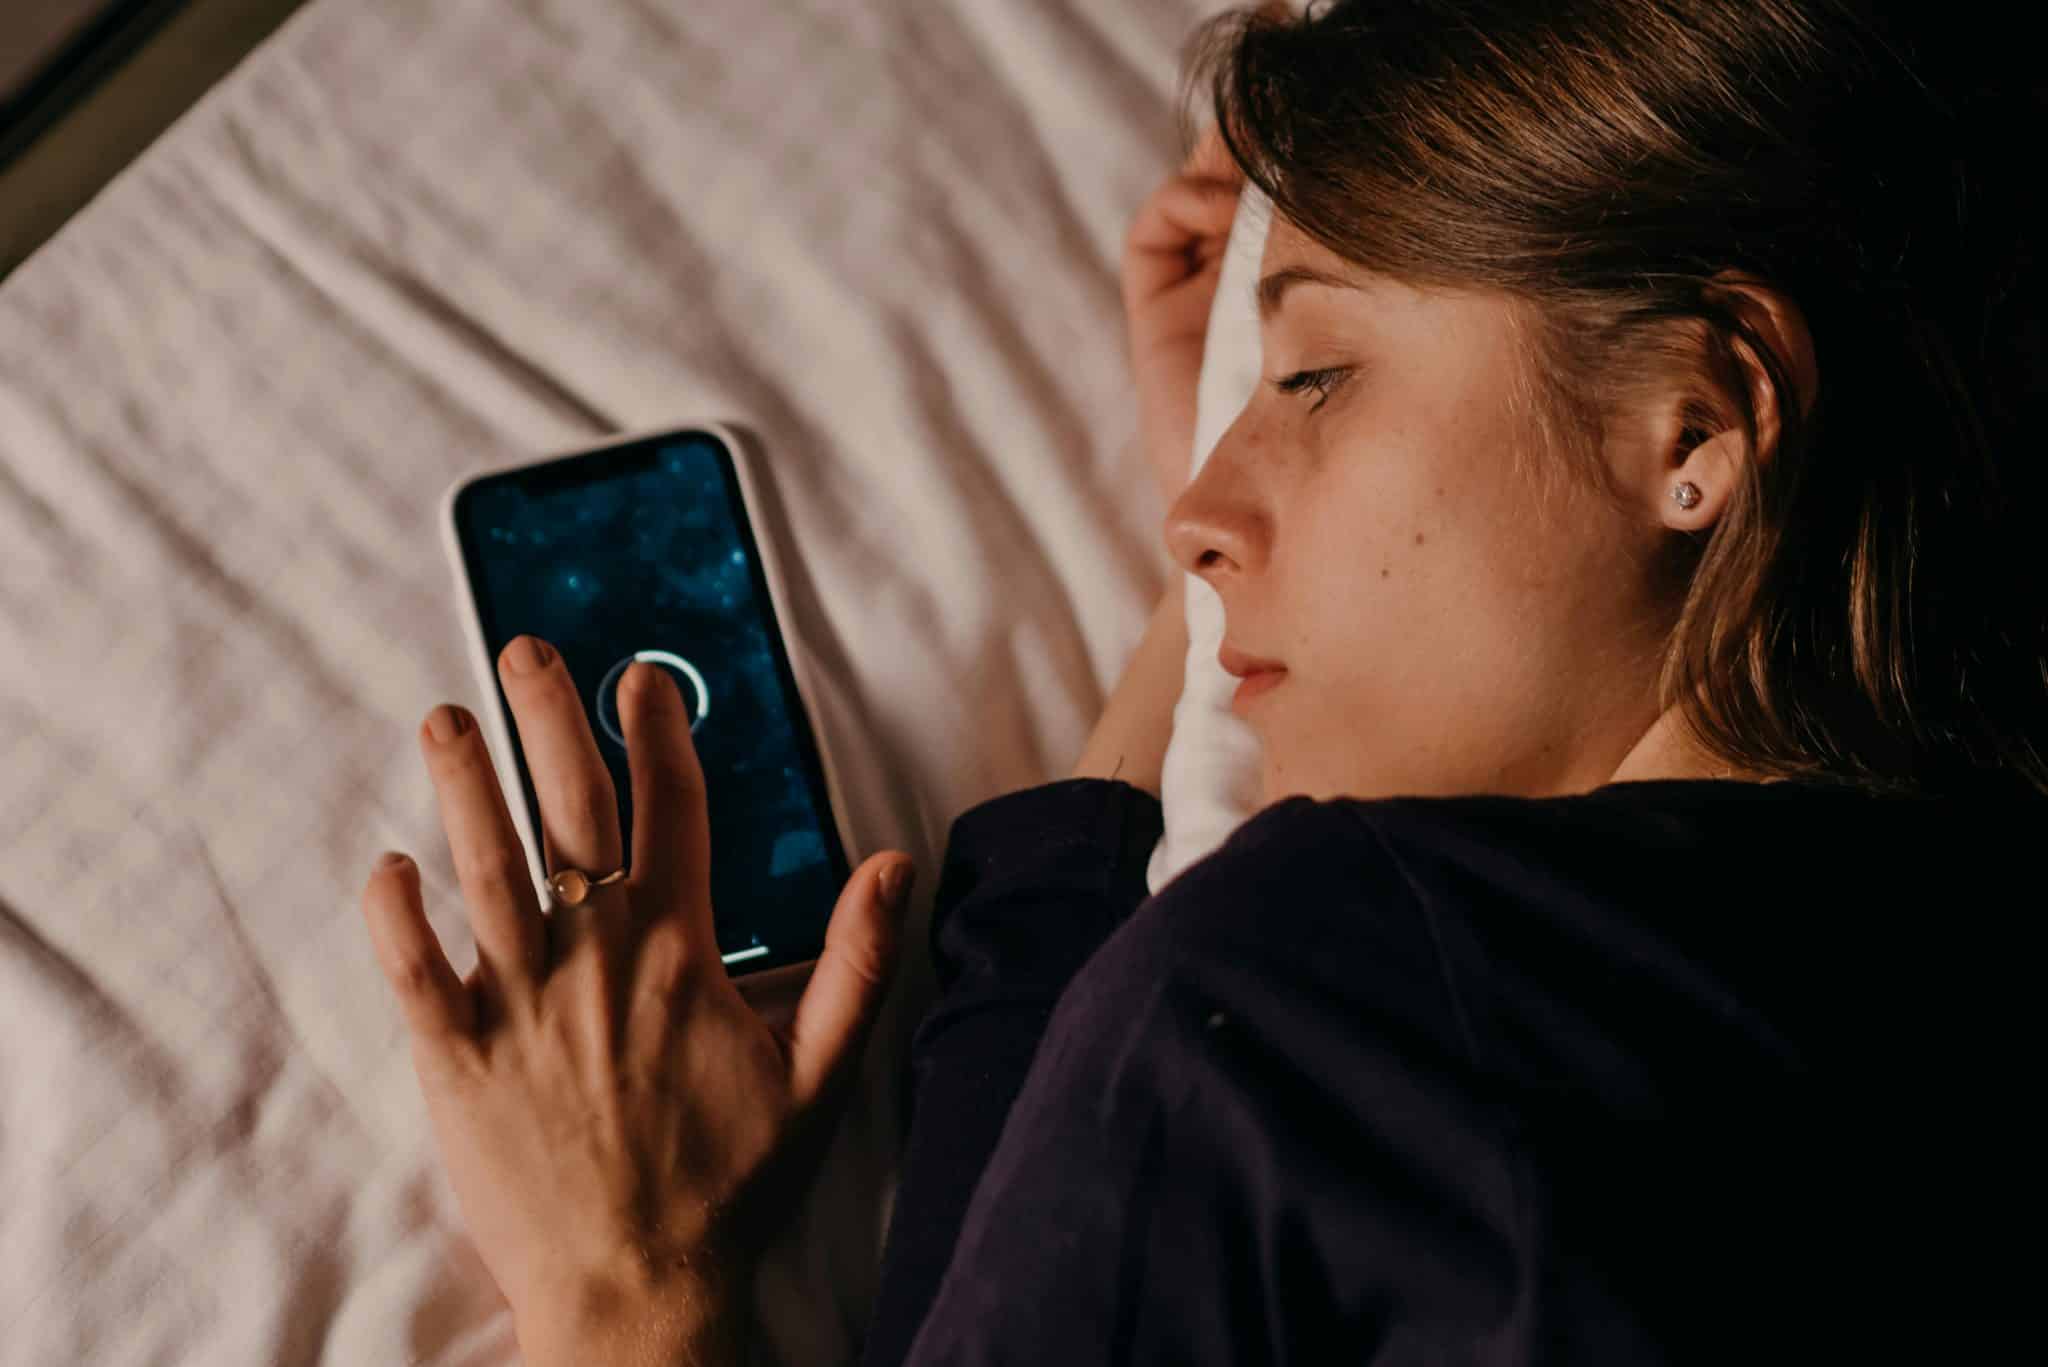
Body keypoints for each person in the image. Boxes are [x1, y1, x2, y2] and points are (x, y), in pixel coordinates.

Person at [357, 2, 2046, 1363]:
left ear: (1694, 423)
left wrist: (617, 1291)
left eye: (1315, 369)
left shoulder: (1327, 988)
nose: (1192, 515)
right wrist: (1237, 575)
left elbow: (1205, 1051)